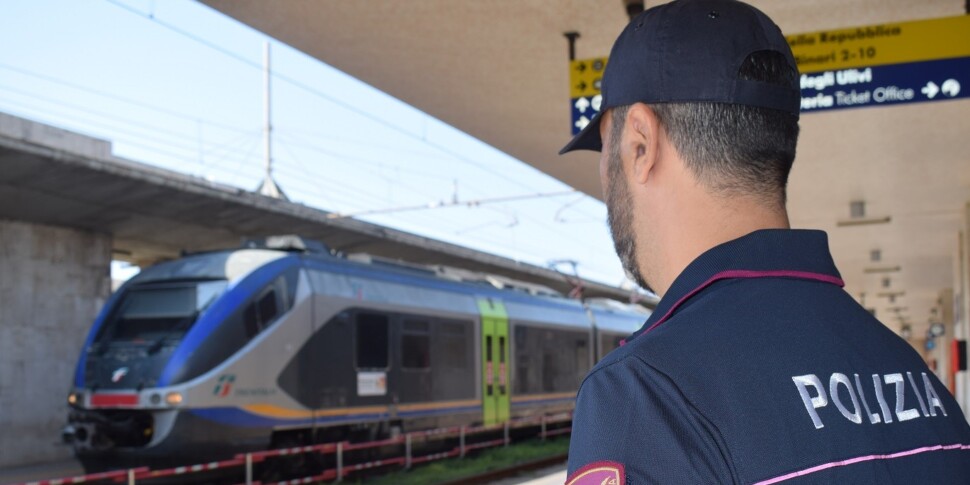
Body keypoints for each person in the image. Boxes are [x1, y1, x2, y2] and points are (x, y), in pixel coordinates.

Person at [558, 1, 970, 483]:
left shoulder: (644, 395)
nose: (605, 176)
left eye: (606, 150)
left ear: (641, 143)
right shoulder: (914, 376)